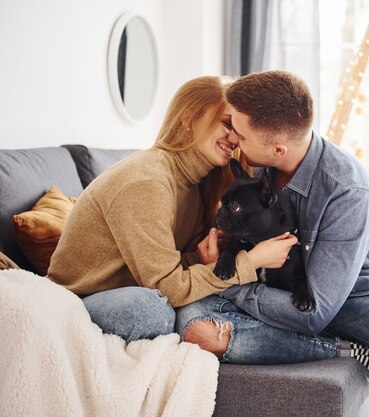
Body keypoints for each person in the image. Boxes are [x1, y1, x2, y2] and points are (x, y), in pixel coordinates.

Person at [176, 70, 369, 416]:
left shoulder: (348, 192)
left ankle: (350, 342)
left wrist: (225, 280)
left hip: (363, 298)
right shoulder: (257, 166)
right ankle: (345, 350)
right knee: (197, 330)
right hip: (280, 293)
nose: (233, 140)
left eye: (240, 134)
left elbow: (313, 312)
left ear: (278, 148)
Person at [47, 76, 296, 342]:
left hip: (137, 288)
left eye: (238, 129)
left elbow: (168, 268)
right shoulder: (147, 181)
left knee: (201, 306)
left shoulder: (199, 182)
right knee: (152, 311)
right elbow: (168, 287)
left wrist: (201, 258)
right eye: (227, 124)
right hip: (76, 303)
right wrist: (251, 261)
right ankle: (325, 348)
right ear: (189, 119)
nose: (235, 139)